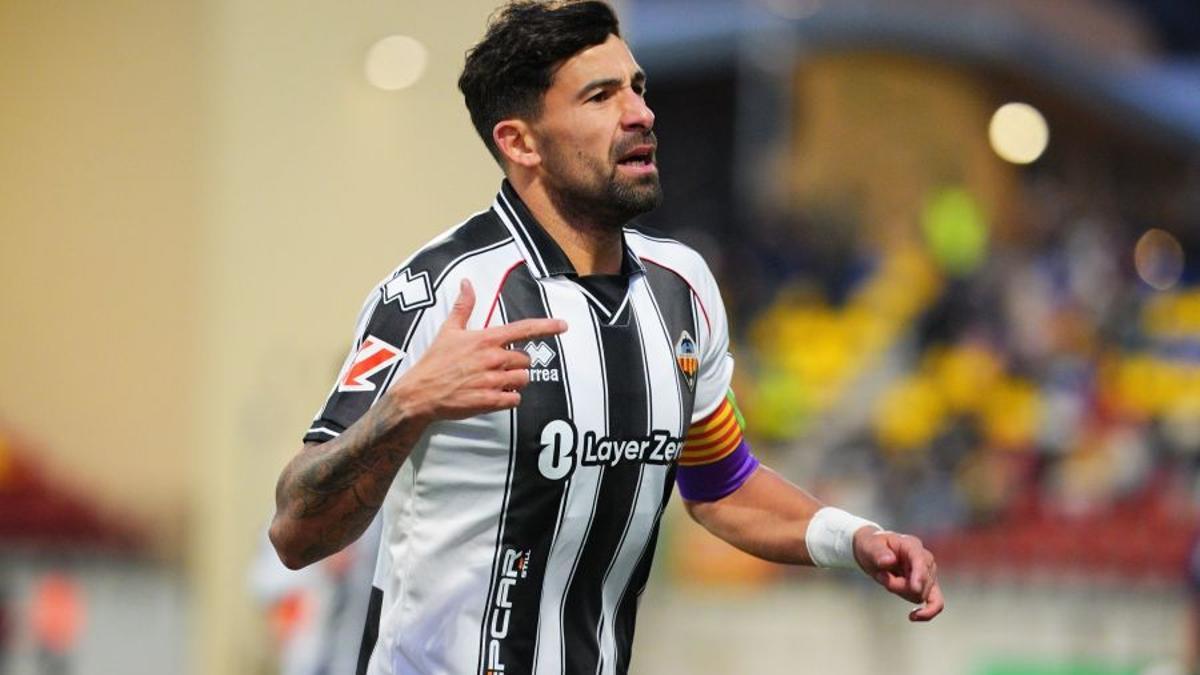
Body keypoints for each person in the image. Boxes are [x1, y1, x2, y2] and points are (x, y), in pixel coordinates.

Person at [269, 2, 944, 673]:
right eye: (600, 96)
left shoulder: (682, 287)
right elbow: (295, 532)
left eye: (638, 88)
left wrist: (855, 537)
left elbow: (721, 486)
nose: (641, 113)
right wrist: (405, 405)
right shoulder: (439, 293)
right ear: (521, 142)